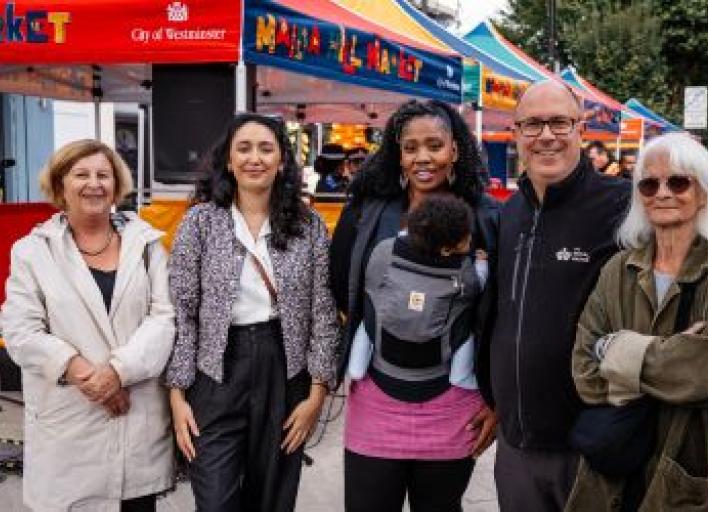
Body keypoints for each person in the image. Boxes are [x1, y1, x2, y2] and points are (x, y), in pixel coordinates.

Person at [481, 80, 708, 512]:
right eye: (533, 124)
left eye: (559, 121)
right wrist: (490, 394)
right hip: (520, 444)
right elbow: (501, 315)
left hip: (601, 439)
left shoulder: (621, 204)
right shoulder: (508, 213)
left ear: (580, 128)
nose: (546, 135)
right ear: (516, 132)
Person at [567, 133, 708, 511]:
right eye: (649, 183)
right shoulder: (617, 270)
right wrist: (679, 360)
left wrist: (615, 349)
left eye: (678, 182)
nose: (662, 192)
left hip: (702, 467)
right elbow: (584, 373)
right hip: (618, 470)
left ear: (704, 193)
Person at [330, 99, 499, 512]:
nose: (423, 157)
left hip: (455, 402)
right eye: (411, 147)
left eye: (434, 145)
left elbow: (499, 309)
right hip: (375, 396)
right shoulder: (367, 214)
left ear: (455, 150)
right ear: (397, 153)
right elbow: (340, 287)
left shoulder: (486, 217)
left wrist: (496, 401)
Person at [165, 113, 339, 512]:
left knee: (272, 498)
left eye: (266, 148)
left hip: (285, 368)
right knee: (215, 499)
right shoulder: (200, 222)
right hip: (215, 371)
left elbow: (324, 313)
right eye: (243, 149)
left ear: (282, 161)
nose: (254, 158)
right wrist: (177, 396)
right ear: (228, 160)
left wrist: (316, 395)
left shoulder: (307, 224)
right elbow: (182, 310)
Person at [1, 139, 176, 511]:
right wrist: (84, 372)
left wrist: (118, 371)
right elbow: (20, 330)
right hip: (69, 427)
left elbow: (165, 318)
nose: (94, 183)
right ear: (60, 184)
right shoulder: (31, 251)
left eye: (103, 174)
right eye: (81, 174)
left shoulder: (146, 245)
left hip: (135, 424)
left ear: (117, 184)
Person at [345, 194, 488, 391]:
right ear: (446, 250)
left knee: (369, 319)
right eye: (466, 239)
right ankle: (460, 376)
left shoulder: (388, 248)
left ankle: (355, 368)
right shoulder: (460, 269)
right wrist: (481, 264)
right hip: (433, 351)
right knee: (466, 333)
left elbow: (371, 281)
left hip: (386, 337)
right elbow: (475, 288)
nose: (470, 241)